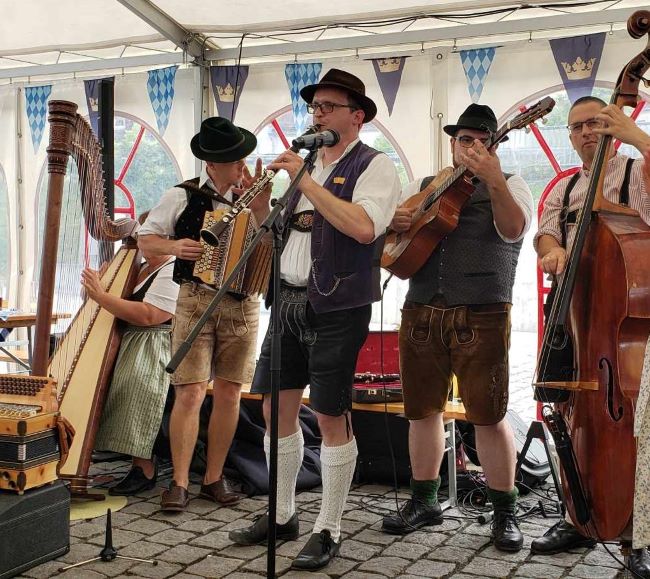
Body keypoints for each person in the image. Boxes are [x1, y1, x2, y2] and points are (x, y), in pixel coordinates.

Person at [228, 68, 401, 571]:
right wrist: (261, 203)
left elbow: (364, 228)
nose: (317, 114)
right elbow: (279, 236)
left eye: (328, 107)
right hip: (286, 301)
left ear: (357, 115)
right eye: (314, 107)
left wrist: (305, 181)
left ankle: (329, 526)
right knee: (273, 409)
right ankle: (282, 515)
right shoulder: (306, 163)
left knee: (328, 415)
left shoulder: (375, 166)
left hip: (339, 307)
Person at [381, 103, 534, 553]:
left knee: (489, 414)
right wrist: (395, 221)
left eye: (477, 140)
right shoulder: (423, 185)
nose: (468, 146)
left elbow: (514, 228)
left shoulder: (513, 184)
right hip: (422, 309)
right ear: (451, 143)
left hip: (482, 312)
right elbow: (388, 233)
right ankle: (424, 501)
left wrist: (494, 178)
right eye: (461, 139)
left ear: (494, 144)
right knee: (421, 411)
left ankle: (504, 510)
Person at [533, 97, 650, 575]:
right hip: (577, 324)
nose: (585, 133)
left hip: (624, 325)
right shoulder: (567, 187)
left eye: (596, 124)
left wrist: (641, 139)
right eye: (577, 126)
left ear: (614, 128)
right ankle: (576, 514)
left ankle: (637, 536)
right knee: (569, 416)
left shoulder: (635, 175)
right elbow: (543, 233)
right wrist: (552, 248)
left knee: (639, 434)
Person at [138, 117, 271, 512]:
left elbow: (275, 243)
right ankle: (179, 482)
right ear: (212, 165)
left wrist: (263, 207)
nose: (242, 169)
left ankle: (213, 477)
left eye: (244, 160)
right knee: (191, 390)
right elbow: (146, 240)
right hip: (196, 299)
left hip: (243, 303)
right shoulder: (182, 196)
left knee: (230, 392)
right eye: (235, 163)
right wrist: (177, 247)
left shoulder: (257, 195)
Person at [83, 218, 179, 496]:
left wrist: (102, 295)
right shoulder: (135, 267)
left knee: (137, 380)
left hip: (156, 342)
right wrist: (97, 288)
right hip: (129, 338)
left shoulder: (173, 269)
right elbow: (95, 302)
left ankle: (144, 466)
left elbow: (151, 315)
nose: (142, 242)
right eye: (141, 236)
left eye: (149, 237)